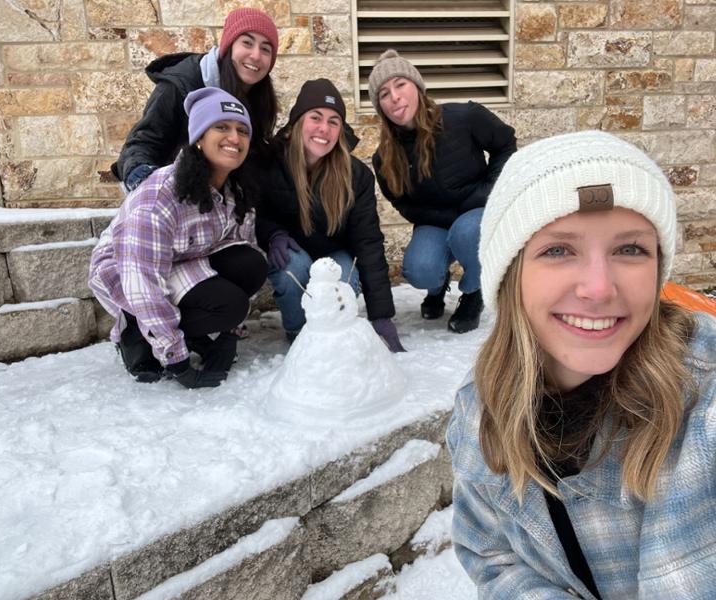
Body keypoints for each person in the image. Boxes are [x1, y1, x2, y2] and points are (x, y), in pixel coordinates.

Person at [447, 130, 716, 599]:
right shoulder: (478, 411)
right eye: (558, 250)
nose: (598, 288)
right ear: (510, 276)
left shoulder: (704, 396)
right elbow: (491, 554)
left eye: (629, 249)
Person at [89, 87, 267, 388]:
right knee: (230, 305)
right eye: (221, 127)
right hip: (126, 272)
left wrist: (227, 334)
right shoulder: (159, 197)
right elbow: (142, 281)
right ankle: (135, 331)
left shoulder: (236, 191)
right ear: (198, 138)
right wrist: (179, 361)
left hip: (182, 258)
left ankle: (194, 331)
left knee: (251, 264)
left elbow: (243, 246)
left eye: (242, 130)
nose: (234, 138)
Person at [249, 78, 404, 352]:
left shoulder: (356, 175)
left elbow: (367, 242)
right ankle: (299, 335)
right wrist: (272, 234)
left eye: (334, 121)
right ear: (298, 121)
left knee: (341, 281)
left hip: (336, 252)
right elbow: (254, 212)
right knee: (291, 268)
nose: (324, 128)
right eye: (316, 117)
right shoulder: (270, 161)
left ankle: (332, 336)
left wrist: (381, 314)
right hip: (292, 249)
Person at [369, 49, 517, 333]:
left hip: (475, 210)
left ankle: (473, 293)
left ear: (417, 87)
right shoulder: (384, 156)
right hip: (435, 221)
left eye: (400, 85)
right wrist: (439, 216)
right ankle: (436, 287)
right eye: (384, 94)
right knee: (419, 269)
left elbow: (506, 144)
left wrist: (490, 190)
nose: (395, 97)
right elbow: (401, 202)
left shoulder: (464, 117)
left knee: (467, 233)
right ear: (380, 106)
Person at [113, 7, 279, 191]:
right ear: (229, 46)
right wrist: (149, 185)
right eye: (247, 43)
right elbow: (144, 142)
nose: (256, 55)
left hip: (228, 203)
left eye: (265, 49)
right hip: (179, 197)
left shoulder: (260, 98)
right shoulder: (181, 85)